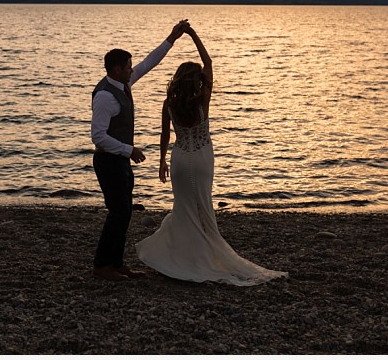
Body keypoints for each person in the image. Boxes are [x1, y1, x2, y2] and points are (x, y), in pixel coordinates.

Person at [135, 25, 287, 285]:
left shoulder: (169, 103)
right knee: (203, 207)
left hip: (181, 159)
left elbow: (164, 136)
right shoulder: (203, 98)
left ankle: (183, 258)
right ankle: (202, 255)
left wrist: (161, 162)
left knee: (183, 208)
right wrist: (192, 34)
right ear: (196, 80)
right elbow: (208, 61)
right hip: (203, 158)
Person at [91, 19, 190, 282]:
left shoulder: (123, 84)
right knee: (118, 212)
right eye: (127, 67)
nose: (132, 69)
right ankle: (102, 265)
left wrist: (172, 38)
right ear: (116, 69)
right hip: (108, 161)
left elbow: (149, 62)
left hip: (120, 160)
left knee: (124, 212)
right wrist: (129, 149)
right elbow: (98, 137)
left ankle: (116, 263)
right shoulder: (104, 96)